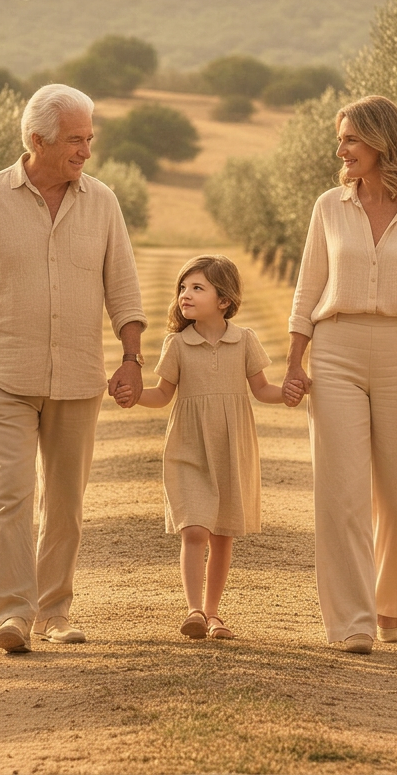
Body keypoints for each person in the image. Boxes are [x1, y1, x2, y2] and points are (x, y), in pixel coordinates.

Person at [0, 84, 147, 654]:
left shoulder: (102, 201)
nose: (85, 150)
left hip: (78, 378)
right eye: (75, 139)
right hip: (3, 373)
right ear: (37, 140)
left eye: (89, 138)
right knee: (11, 491)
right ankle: (13, 614)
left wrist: (131, 359)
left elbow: (123, 288)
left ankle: (55, 611)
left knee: (66, 501)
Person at [284, 95, 397, 655]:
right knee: (342, 492)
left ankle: (387, 601)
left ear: (382, 141)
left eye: (350, 139)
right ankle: (352, 620)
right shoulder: (328, 207)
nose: (341, 150)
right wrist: (294, 360)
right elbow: (308, 286)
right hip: (335, 348)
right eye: (340, 140)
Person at [116, 255, 298, 640]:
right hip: (188, 447)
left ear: (224, 300)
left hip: (231, 448)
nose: (186, 294)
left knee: (222, 535)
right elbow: (163, 394)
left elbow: (263, 390)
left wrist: (291, 393)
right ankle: (194, 609)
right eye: (183, 287)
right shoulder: (177, 344)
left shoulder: (244, 339)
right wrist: (134, 396)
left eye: (197, 287)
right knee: (194, 530)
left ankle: (214, 614)